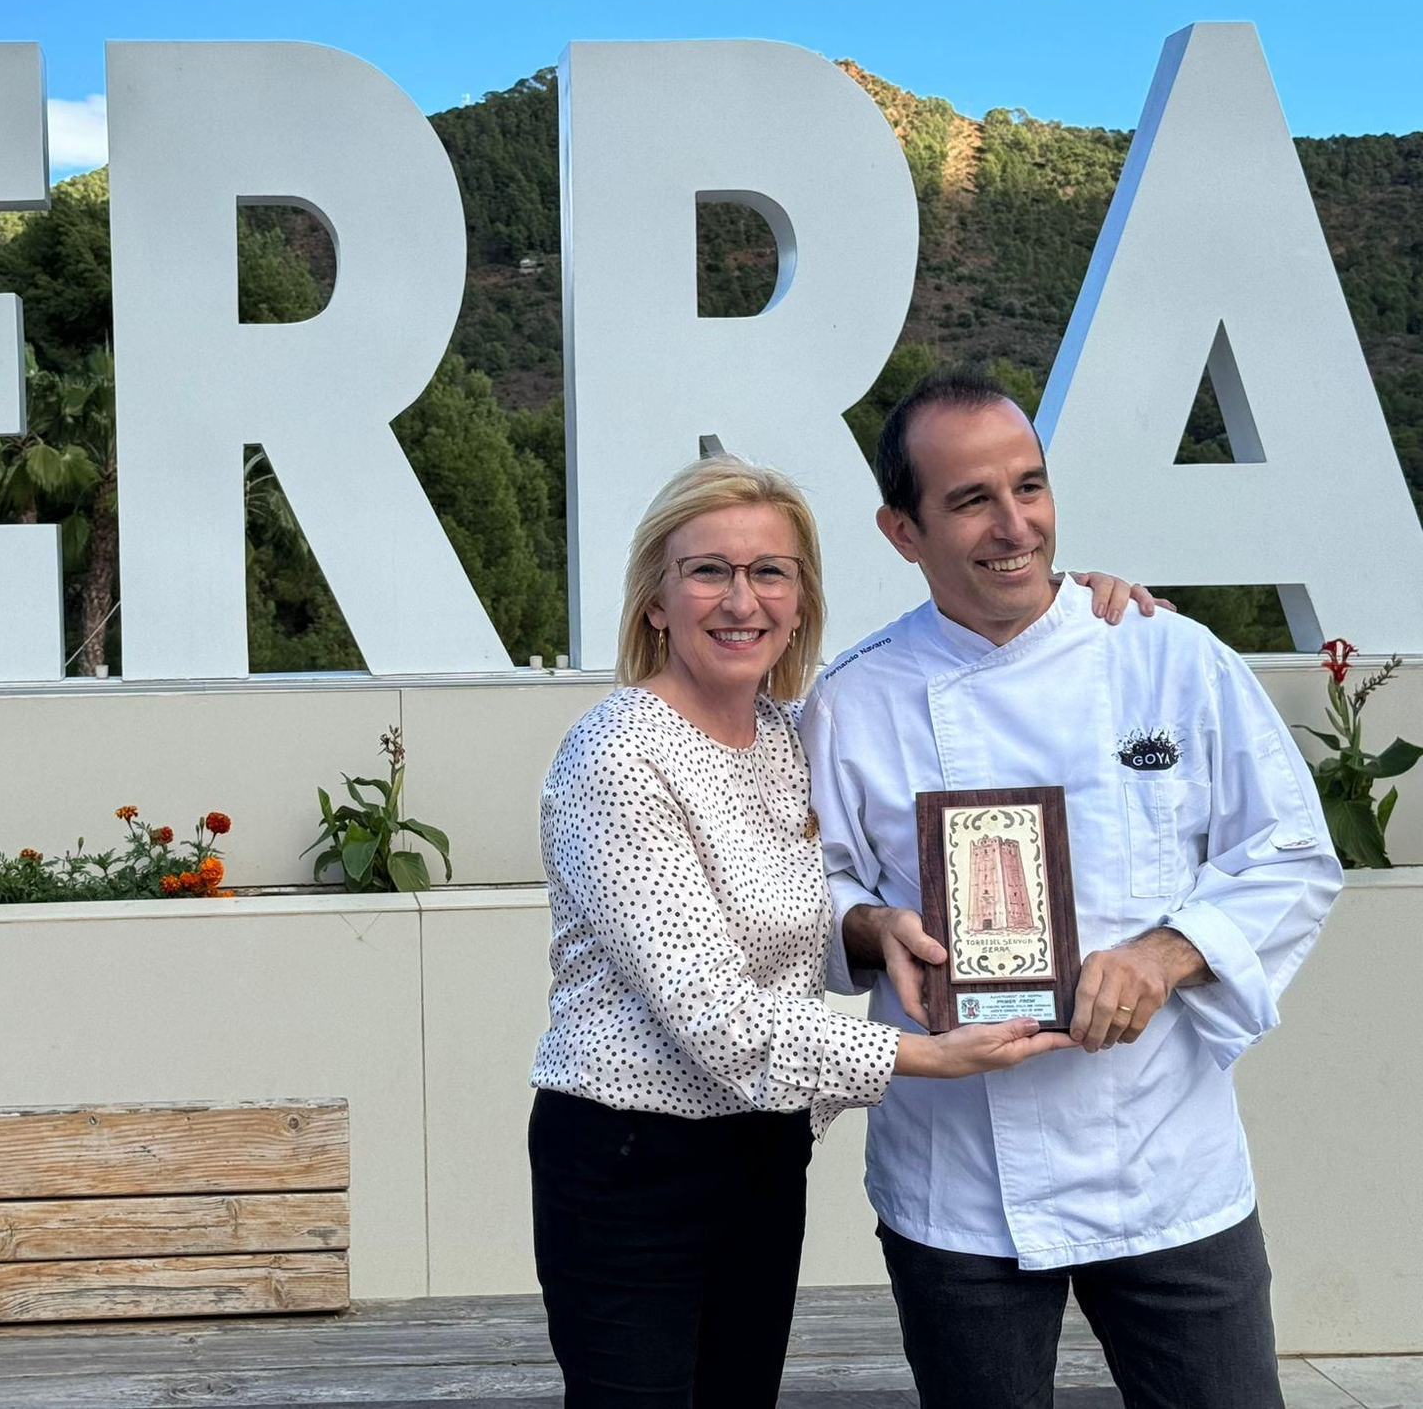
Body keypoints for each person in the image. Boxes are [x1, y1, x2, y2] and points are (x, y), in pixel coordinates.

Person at [527, 454, 1153, 1407]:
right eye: (710, 571)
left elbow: (793, 928)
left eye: (770, 571)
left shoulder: (784, 737)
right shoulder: (617, 752)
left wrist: (873, 930)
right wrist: (924, 1056)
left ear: (799, 599)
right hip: (629, 1162)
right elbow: (715, 1015)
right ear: (656, 598)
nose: (742, 599)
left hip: (764, 1148)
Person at [801, 366, 1340, 1409]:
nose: (1013, 526)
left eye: (1028, 487)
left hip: (1164, 1158)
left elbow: (1290, 854)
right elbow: (803, 889)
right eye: (969, 501)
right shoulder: (852, 702)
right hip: (956, 1180)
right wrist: (867, 926)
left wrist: (1165, 952)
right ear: (900, 532)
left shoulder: (1168, 658)